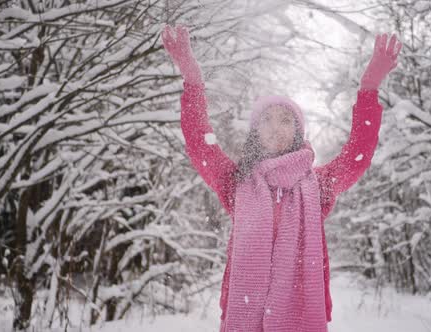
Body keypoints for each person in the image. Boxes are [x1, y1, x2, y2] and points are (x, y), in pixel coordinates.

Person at [162, 24, 402, 332]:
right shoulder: (238, 182)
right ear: (255, 132)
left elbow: (357, 154)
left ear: (298, 132)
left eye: (286, 120)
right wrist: (192, 79)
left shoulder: (318, 186)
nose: (276, 127)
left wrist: (369, 88)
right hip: (244, 318)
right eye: (267, 120)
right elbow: (199, 143)